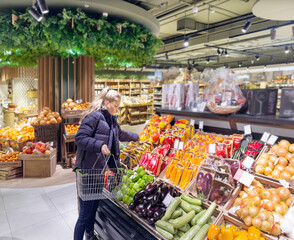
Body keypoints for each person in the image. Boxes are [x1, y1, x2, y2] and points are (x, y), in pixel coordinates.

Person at [73, 87, 139, 240]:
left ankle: (90, 235)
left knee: (93, 206)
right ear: (107, 102)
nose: (117, 109)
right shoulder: (94, 117)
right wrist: (99, 145)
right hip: (87, 170)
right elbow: (80, 138)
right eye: (115, 106)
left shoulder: (110, 119)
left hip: (98, 170)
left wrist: (137, 136)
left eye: (118, 106)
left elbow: (120, 134)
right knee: (84, 213)